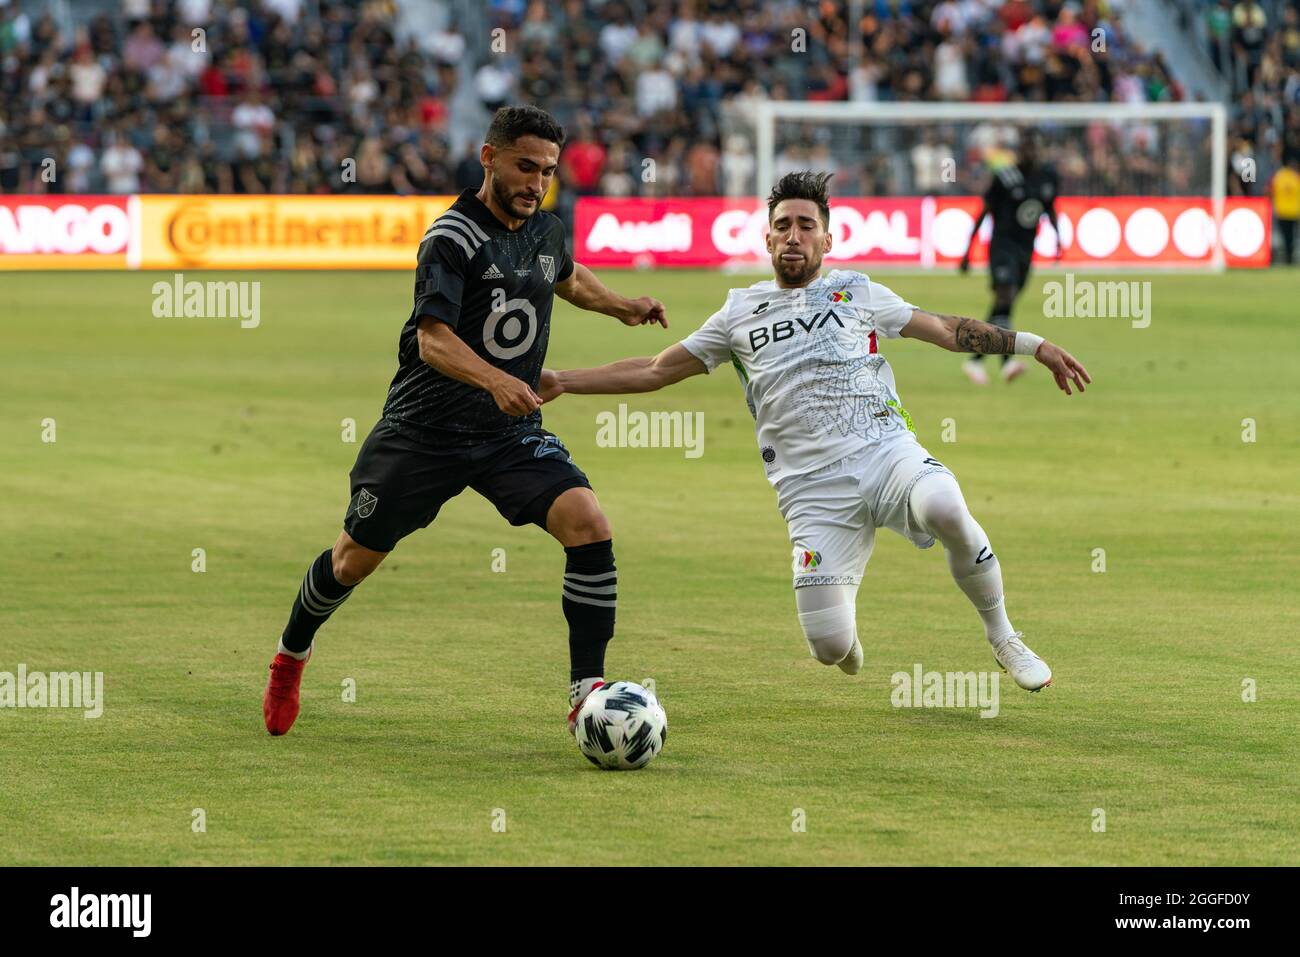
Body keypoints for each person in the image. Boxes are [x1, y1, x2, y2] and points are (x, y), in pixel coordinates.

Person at [542, 172, 1091, 690]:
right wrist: (564, 380)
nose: (794, 236)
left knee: (947, 507)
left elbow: (947, 330)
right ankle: (843, 633)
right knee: (829, 648)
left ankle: (1003, 636)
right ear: (767, 239)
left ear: (827, 240)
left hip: (885, 453)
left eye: (806, 226)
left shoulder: (857, 291)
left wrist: (1033, 344)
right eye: (783, 226)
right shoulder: (739, 312)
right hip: (810, 491)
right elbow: (658, 368)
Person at [263, 106, 667, 737]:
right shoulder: (451, 238)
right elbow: (434, 341)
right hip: (422, 432)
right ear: (489, 158)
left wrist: (623, 307)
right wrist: (500, 380)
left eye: (548, 172)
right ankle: (290, 657)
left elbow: (565, 277)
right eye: (524, 167)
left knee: (588, 524)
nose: (536, 184)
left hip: (506, 433)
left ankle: (586, 693)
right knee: (351, 562)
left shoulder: (546, 230)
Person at [959, 134, 1062, 385]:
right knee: (1005, 296)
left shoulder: (1047, 178)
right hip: (1002, 247)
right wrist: (967, 252)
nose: (1030, 155)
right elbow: (983, 212)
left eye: (1033, 150)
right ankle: (1007, 362)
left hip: (1026, 250)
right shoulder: (1005, 178)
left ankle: (974, 361)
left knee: (1003, 305)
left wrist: (1059, 240)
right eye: (1025, 150)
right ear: (1017, 153)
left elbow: (1049, 209)